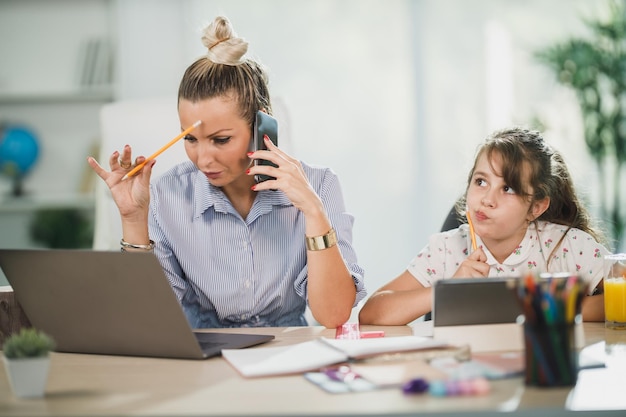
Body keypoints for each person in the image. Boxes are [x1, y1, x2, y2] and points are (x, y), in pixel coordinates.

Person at [87, 16, 366, 329]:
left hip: (288, 352)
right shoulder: (167, 195)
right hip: (203, 359)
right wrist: (133, 220)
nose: (203, 159)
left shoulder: (320, 185)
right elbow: (146, 320)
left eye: (221, 140)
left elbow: (333, 315)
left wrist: (314, 213)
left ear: (263, 129)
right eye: (189, 139)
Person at [359, 127, 609, 325]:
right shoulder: (447, 249)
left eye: (508, 188)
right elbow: (371, 314)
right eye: (480, 182)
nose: (488, 199)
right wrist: (446, 290)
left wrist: (548, 306)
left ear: (536, 207)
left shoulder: (566, 245)